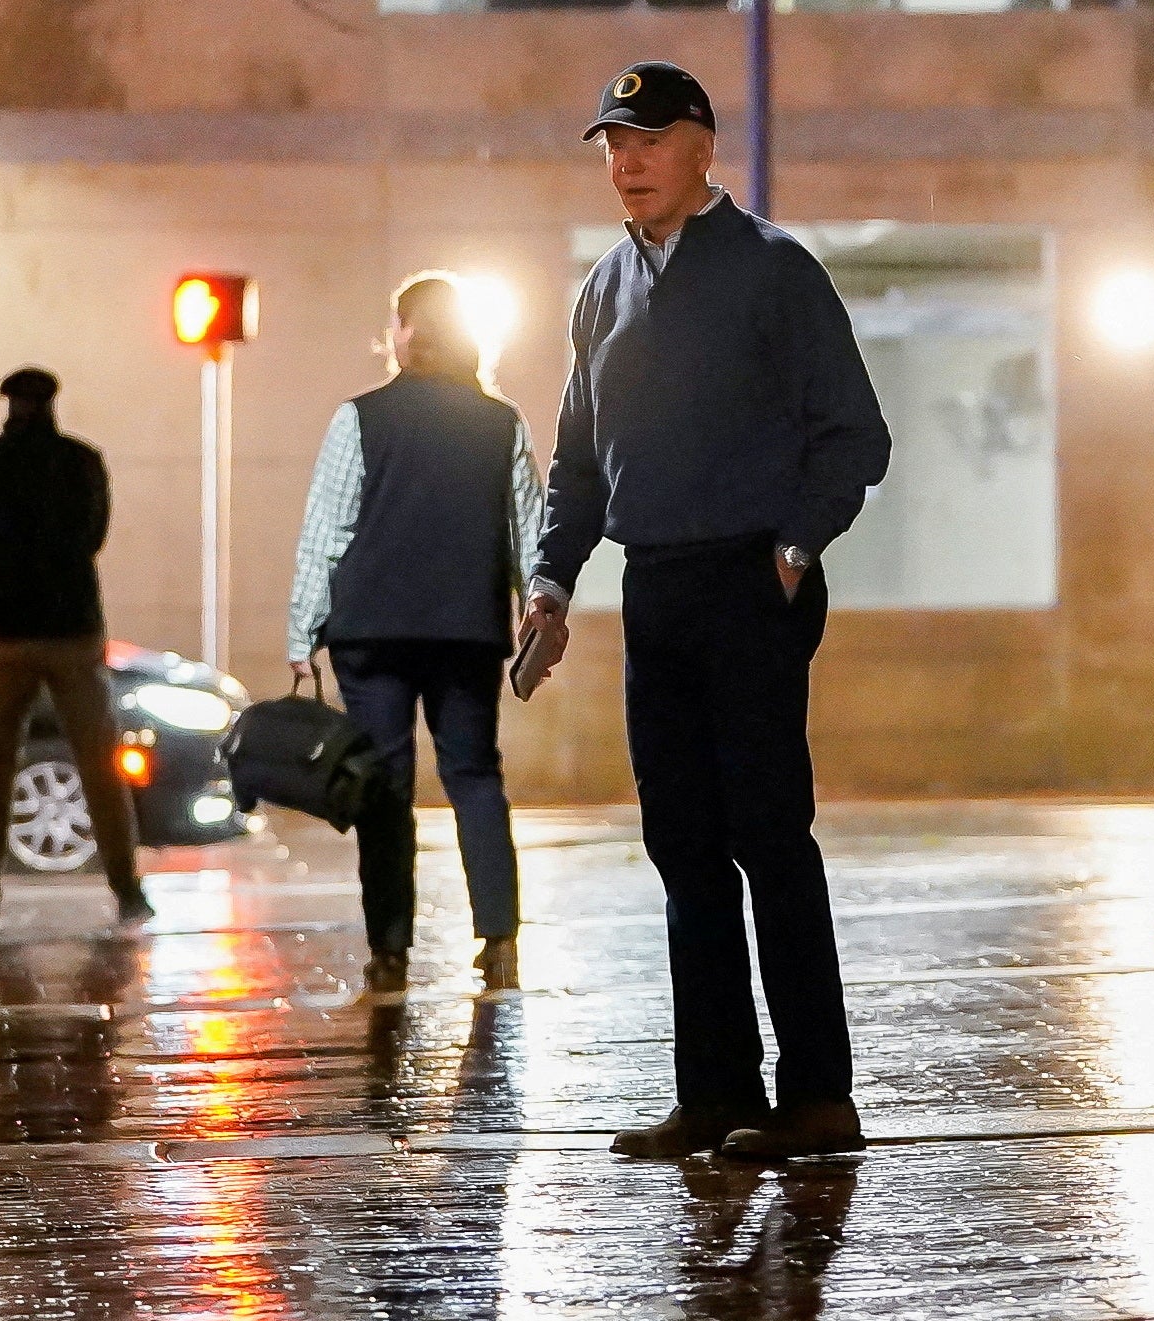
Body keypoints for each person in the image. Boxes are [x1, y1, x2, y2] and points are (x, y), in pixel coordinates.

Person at [520, 62, 892, 1160]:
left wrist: (792, 545)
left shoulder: (773, 271)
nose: (623, 163)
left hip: (752, 580)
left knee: (770, 836)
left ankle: (818, 1098)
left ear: (701, 148)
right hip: (659, 587)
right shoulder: (601, 290)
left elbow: (854, 436)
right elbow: (577, 463)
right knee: (682, 845)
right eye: (609, 146)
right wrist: (551, 579)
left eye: (643, 141)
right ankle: (716, 1091)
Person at [288, 274, 545, 998]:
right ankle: (499, 943)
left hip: (372, 631)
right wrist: (538, 612)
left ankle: (389, 953)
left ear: (401, 333)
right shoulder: (501, 422)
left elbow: (327, 532)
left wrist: (301, 631)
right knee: (474, 777)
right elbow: (528, 531)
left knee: (385, 788)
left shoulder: (360, 417)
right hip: (465, 627)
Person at [0, 367, 149, 933]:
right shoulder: (83, 462)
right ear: (53, 404)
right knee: (99, 765)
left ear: (8, 403)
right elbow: (94, 535)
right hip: (70, 630)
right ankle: (127, 889)